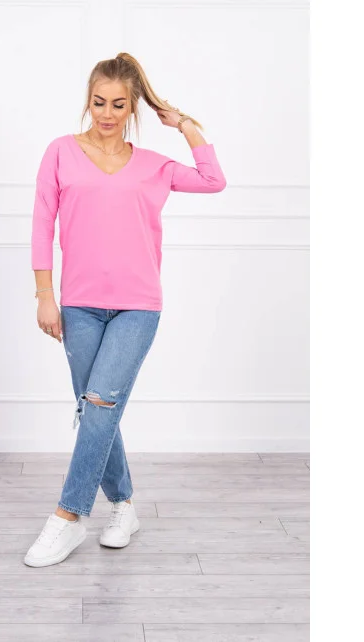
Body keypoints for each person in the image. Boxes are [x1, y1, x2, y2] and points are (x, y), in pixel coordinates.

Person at [24, 52, 226, 568]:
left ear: (133, 106)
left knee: (99, 407)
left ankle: (68, 517)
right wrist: (45, 294)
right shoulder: (61, 152)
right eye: (99, 102)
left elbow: (213, 180)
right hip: (79, 305)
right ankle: (123, 506)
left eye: (118, 104)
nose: (107, 113)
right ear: (87, 101)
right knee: (97, 410)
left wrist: (184, 124)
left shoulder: (155, 166)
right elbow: (42, 224)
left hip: (137, 307)